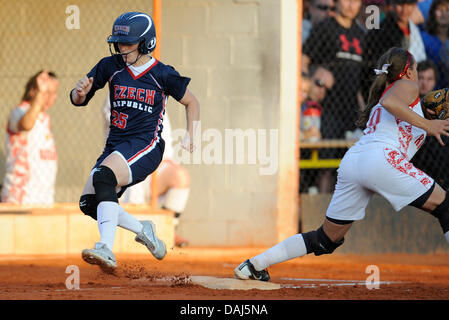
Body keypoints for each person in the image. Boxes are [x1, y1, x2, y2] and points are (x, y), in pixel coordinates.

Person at [235, 47, 449, 281]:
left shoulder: (399, 95)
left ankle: (253, 265)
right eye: (416, 69)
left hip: (356, 160)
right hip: (381, 159)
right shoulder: (407, 86)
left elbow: (397, 119)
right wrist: (428, 126)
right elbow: (390, 102)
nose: (418, 75)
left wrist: (426, 120)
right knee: (446, 207)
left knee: (326, 239)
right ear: (407, 72)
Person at [70, 12, 200, 273]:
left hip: (147, 145)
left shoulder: (162, 74)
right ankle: (143, 229)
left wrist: (192, 133)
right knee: (88, 203)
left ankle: (105, 247)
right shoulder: (111, 65)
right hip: (116, 145)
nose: (121, 48)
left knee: (104, 177)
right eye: (118, 43)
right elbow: (79, 98)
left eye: (128, 43)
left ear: (146, 44)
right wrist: (78, 93)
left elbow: (191, 102)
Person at [102, 98, 192, 247]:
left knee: (180, 177)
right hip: (125, 169)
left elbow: (164, 137)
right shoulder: (116, 92)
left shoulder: (158, 93)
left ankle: (169, 230)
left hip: (154, 171)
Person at [2, 71, 59, 205]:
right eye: (46, 92)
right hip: (21, 198)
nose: (51, 97)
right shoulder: (19, 111)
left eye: (54, 93)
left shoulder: (45, 118)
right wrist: (40, 94)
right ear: (34, 91)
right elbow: (26, 124)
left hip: (44, 199)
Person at [361, 0, 427, 101]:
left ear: (414, 6)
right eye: (400, 4)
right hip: (389, 89)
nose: (404, 10)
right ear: (392, 5)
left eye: (409, 5)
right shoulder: (381, 30)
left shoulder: (414, 30)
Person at [413, 59, 448, 190]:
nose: (424, 83)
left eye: (429, 79)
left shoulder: (442, 105)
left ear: (435, 82)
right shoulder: (406, 102)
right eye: (421, 78)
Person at [420, 0, 449, 89]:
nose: (443, 14)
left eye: (447, 10)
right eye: (439, 10)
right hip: (430, 88)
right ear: (433, 13)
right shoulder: (424, 38)